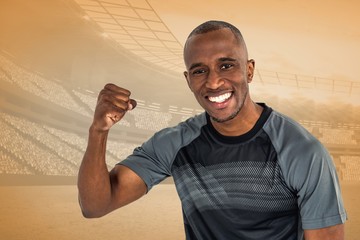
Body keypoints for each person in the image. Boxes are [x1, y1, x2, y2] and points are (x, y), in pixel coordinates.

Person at [77, 20, 347, 239]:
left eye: (226, 65)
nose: (214, 82)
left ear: (249, 70)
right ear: (188, 80)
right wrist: (98, 132)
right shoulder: (174, 144)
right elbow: (95, 206)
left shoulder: (301, 151)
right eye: (199, 71)